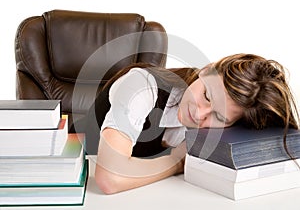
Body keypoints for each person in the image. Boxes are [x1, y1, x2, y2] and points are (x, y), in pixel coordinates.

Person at [77, 53, 299, 194]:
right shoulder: (141, 84)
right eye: (207, 96)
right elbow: (110, 179)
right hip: (75, 165)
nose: (200, 114)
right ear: (206, 71)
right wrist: (177, 163)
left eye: (219, 117)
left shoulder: (225, 126)